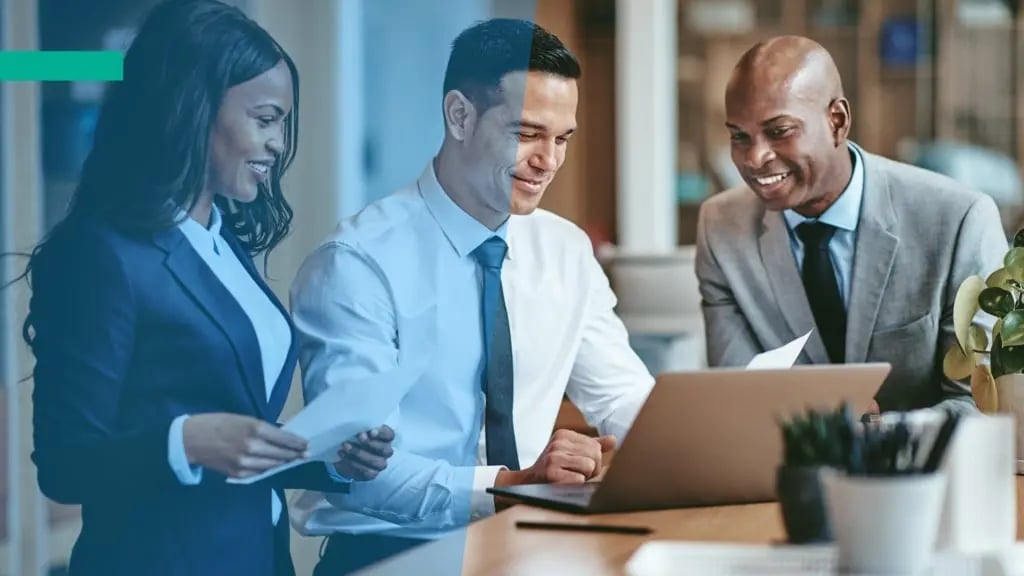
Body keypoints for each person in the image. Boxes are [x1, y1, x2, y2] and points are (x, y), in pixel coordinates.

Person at [20, 1, 393, 575]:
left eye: (283, 124)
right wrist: (185, 441)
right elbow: (65, 463)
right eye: (265, 119)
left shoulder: (221, 243)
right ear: (193, 108)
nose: (278, 144)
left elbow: (237, 441)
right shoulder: (104, 254)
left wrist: (332, 461)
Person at [288, 18, 655, 575]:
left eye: (562, 139)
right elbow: (358, 475)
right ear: (460, 115)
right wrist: (509, 486)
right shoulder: (357, 263)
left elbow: (622, 396)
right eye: (528, 133)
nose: (549, 161)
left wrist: (690, 446)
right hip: (389, 560)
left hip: (529, 551)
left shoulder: (565, 250)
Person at [695, 35, 1007, 414]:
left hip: (921, 470)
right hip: (782, 470)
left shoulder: (958, 220)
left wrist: (872, 436)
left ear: (837, 121)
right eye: (739, 136)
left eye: (779, 131)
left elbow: (977, 405)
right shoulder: (721, 227)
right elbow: (738, 397)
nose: (755, 157)